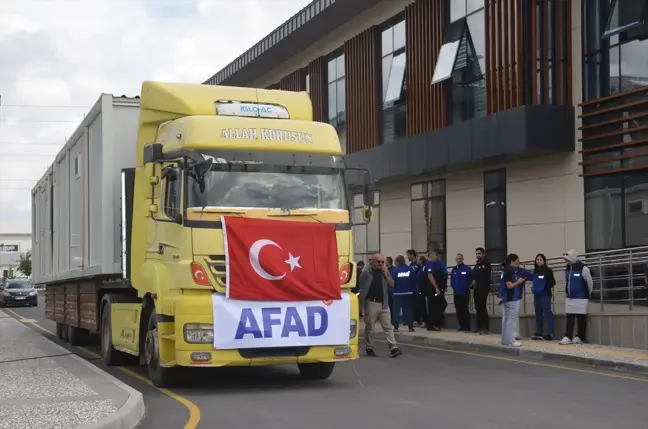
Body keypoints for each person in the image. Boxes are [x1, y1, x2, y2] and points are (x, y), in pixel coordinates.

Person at [358, 253, 403, 357]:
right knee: (370, 327)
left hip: (384, 303)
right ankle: (369, 347)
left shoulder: (384, 272)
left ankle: (393, 348)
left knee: (388, 326)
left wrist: (386, 274)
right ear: (372, 262)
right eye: (378, 262)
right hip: (371, 302)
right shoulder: (366, 273)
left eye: (382, 262)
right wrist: (361, 306)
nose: (380, 264)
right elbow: (362, 290)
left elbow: (392, 284)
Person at [559, 249, 593, 345]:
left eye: (568, 260)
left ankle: (580, 336)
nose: (567, 262)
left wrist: (588, 293)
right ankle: (568, 336)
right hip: (570, 297)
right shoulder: (567, 269)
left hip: (581, 297)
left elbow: (589, 282)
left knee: (581, 317)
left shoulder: (583, 268)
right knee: (570, 317)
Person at [499, 253, 528, 347]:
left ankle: (505, 340)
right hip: (511, 298)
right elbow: (509, 285)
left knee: (507, 320)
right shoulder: (509, 270)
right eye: (516, 261)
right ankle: (511, 340)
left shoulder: (505, 270)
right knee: (511, 320)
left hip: (506, 298)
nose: (518, 263)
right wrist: (519, 282)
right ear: (511, 261)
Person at [531, 253, 556, 341]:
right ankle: (539, 332)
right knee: (538, 313)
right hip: (536, 295)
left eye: (541, 259)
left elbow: (552, 282)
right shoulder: (535, 271)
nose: (539, 261)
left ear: (544, 261)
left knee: (547, 313)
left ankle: (550, 333)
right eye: (537, 259)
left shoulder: (548, 270)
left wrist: (545, 288)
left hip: (545, 295)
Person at [390, 255, 415, 332]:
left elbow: (392, 282)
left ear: (397, 261)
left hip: (398, 293)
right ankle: (410, 326)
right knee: (408, 310)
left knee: (396, 310)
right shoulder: (410, 269)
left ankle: (396, 326)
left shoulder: (395, 270)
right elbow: (414, 280)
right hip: (408, 292)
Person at [424, 250, 447, 331]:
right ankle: (432, 324)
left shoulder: (437, 263)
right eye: (435, 255)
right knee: (436, 305)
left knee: (439, 304)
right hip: (432, 288)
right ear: (431, 255)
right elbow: (430, 276)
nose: (436, 257)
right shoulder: (429, 264)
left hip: (436, 287)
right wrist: (436, 287)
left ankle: (433, 323)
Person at [472, 247, 491, 334]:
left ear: (483, 254)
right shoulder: (477, 264)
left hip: (483, 288)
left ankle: (485, 328)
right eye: (476, 254)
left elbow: (485, 275)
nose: (477, 255)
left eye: (479, 253)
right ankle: (478, 327)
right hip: (477, 289)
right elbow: (474, 275)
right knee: (478, 308)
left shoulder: (486, 263)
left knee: (482, 308)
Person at [451, 253, 472, 332]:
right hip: (456, 293)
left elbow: (470, 279)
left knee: (465, 310)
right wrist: (454, 287)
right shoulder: (454, 270)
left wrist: (467, 287)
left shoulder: (467, 269)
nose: (458, 260)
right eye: (457, 259)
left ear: (462, 259)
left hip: (464, 293)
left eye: (460, 259)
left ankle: (467, 326)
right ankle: (462, 326)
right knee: (458, 310)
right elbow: (452, 280)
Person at [414, 254, 428, 328]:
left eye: (418, 260)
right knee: (418, 306)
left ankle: (425, 321)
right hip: (417, 289)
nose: (417, 261)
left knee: (422, 306)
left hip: (421, 290)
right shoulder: (418, 268)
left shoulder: (424, 268)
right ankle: (418, 320)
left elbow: (423, 279)